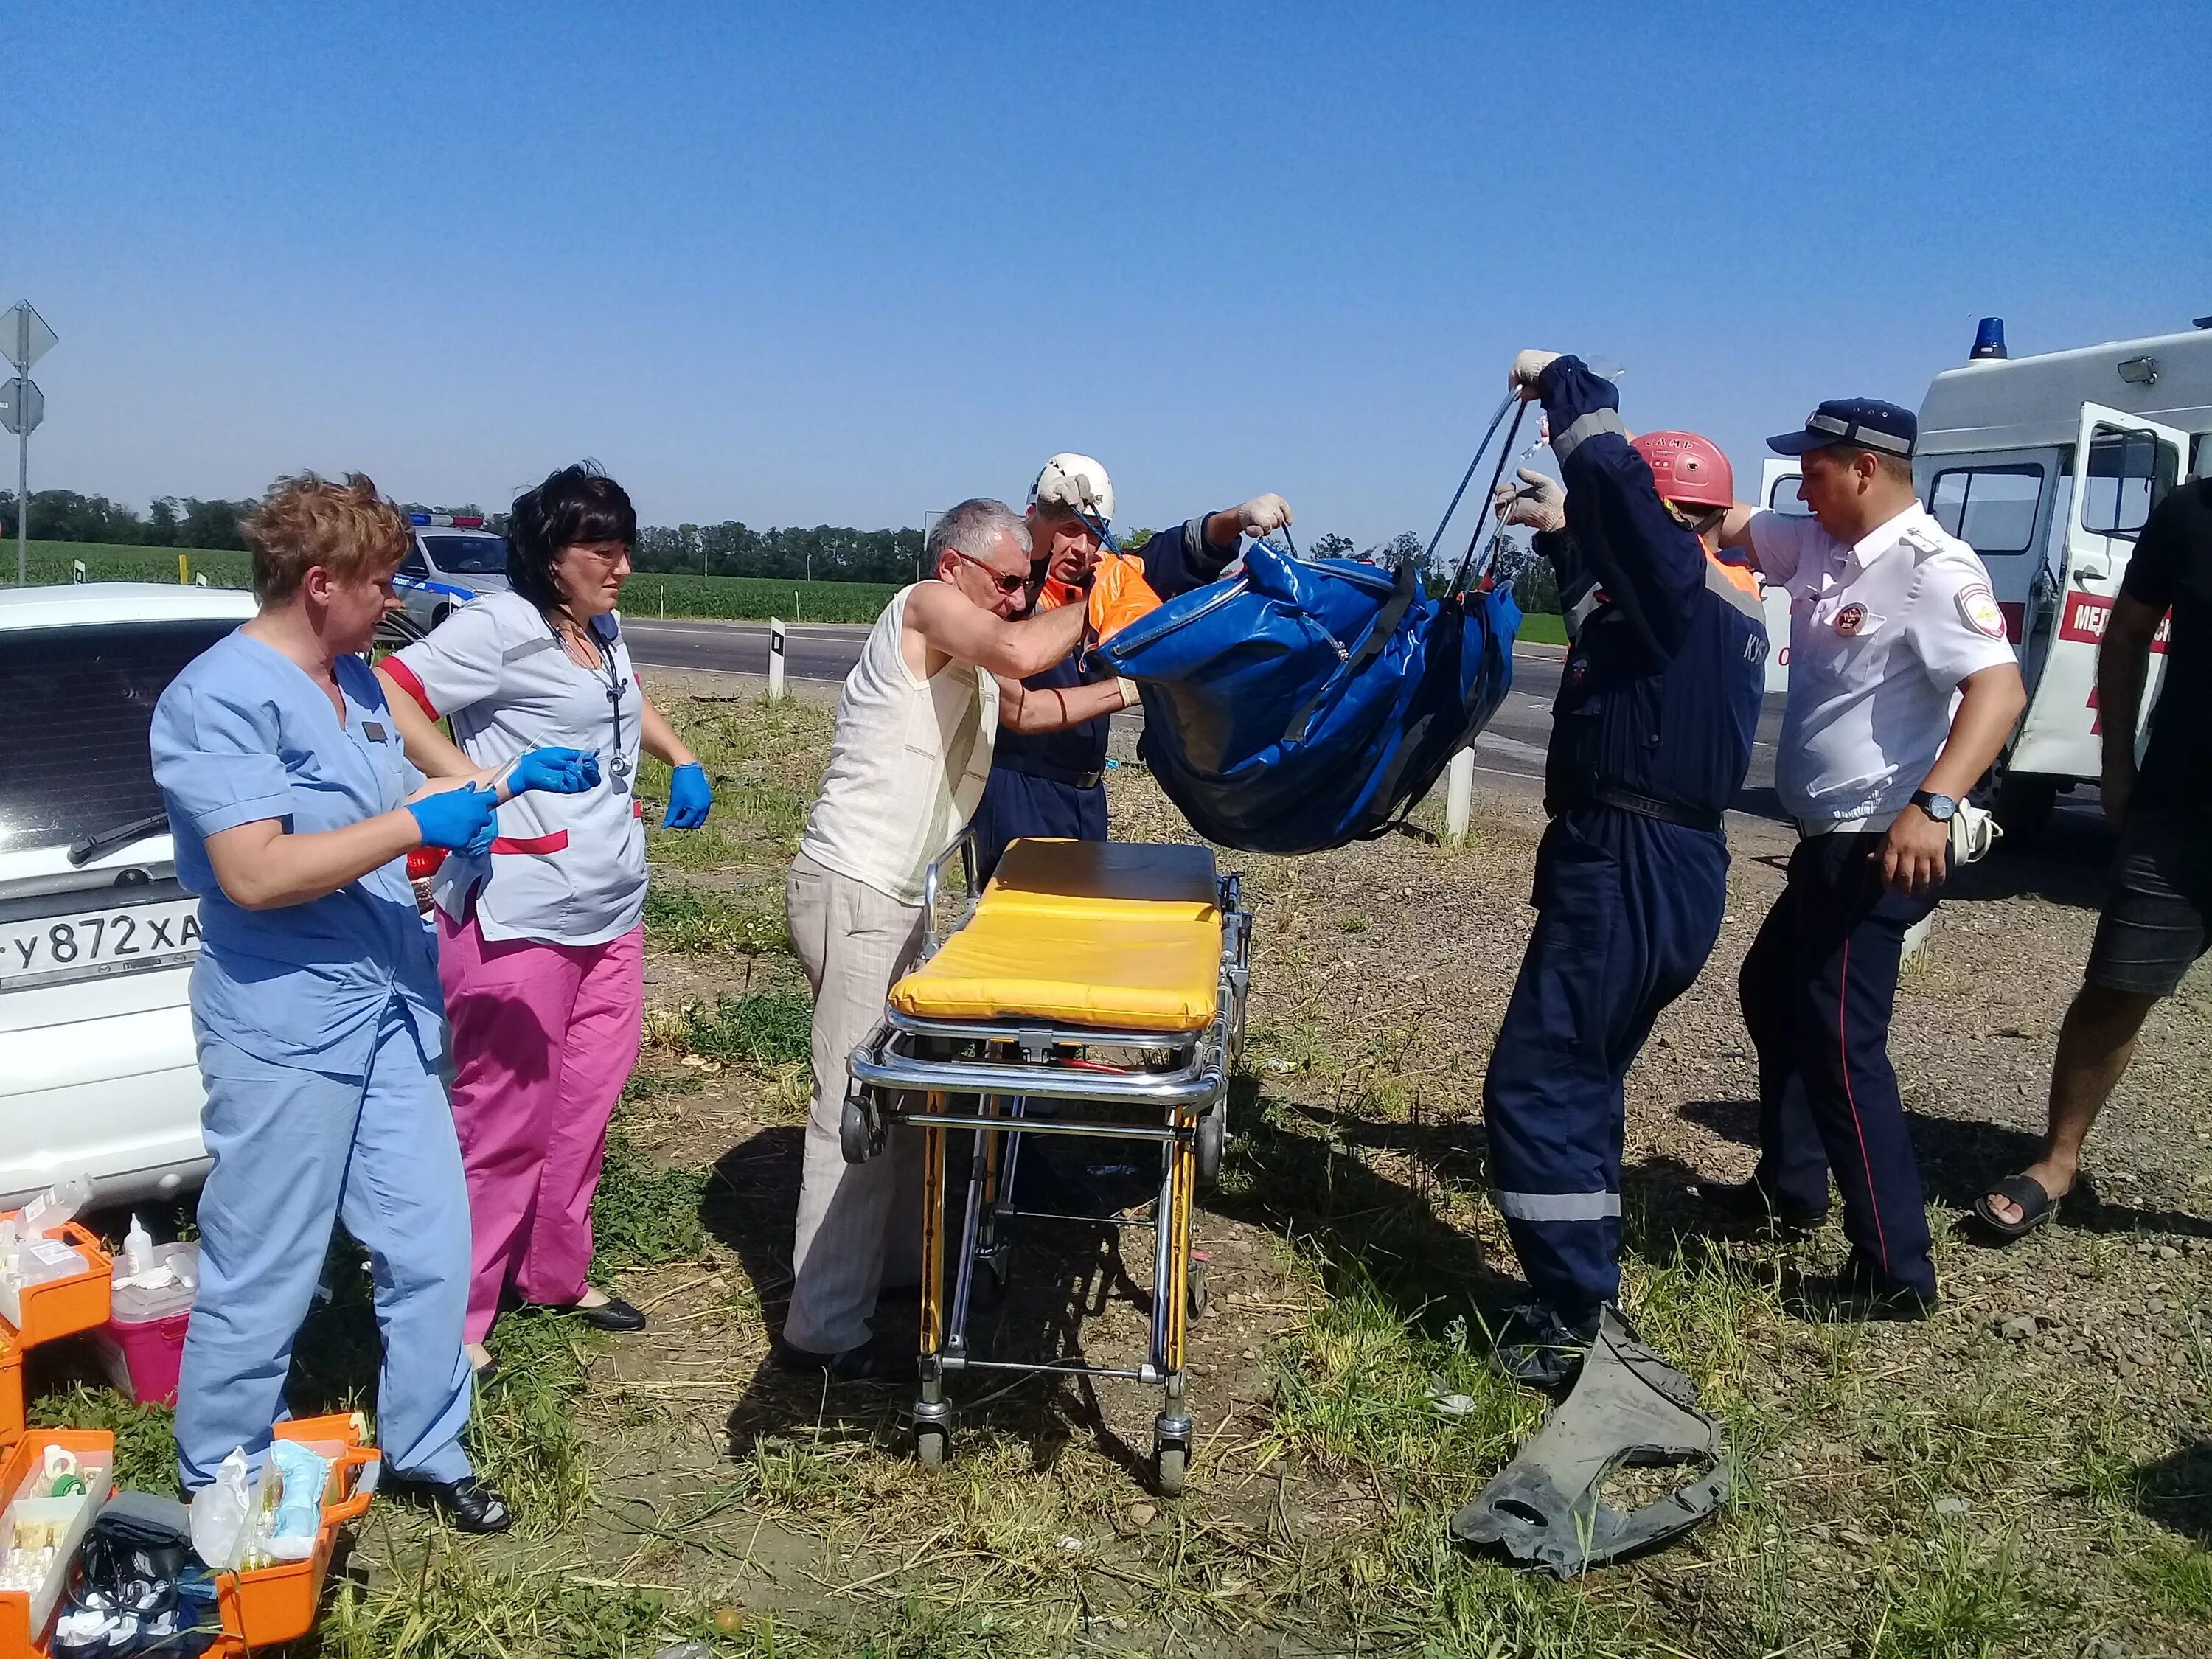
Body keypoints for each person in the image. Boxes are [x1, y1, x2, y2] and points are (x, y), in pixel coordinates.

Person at [150, 472, 597, 1530]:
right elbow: (257, 871)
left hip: (390, 1001)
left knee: (432, 1240)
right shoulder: (217, 698)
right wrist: (415, 827)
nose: (391, 601)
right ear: (319, 583)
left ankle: (428, 1447)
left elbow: (393, 800)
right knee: (269, 1257)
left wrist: (499, 786)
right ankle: (220, 1472)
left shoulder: (350, 681)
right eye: (379, 582)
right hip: (288, 1021)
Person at [781, 498, 1143, 1376]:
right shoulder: (926, 605)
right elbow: (1023, 653)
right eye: (1009, 582)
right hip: (857, 888)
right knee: (854, 1112)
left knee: (904, 1103)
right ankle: (822, 1335)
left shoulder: (971, 639)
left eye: (1027, 584)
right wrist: (1102, 600)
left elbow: (1028, 710)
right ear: (957, 568)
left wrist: (1138, 684)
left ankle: (899, 1278)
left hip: (901, 897)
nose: (1020, 599)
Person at [375, 464, 714, 1376]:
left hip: (610, 910)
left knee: (583, 1109)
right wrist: (471, 782)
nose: (622, 568)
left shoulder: (599, 630)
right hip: (518, 914)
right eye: (600, 551)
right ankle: (458, 1321)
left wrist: (680, 754)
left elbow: (625, 700)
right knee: (501, 1121)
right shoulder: (499, 628)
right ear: (550, 555)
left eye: (624, 548)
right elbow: (392, 689)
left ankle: (553, 1273)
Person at [1692, 400, 2026, 1318]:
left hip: (1883, 842)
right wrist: (1589, 498)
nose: (1801, 485)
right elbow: (1714, 518)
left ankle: (1895, 1272)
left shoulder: (1932, 568)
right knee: (1772, 991)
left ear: (1865, 469)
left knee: (1844, 1044)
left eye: (1815, 469)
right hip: (1824, 843)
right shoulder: (1818, 545)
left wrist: (1935, 802)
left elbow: (1999, 690)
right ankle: (1792, 1188)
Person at [1478, 351, 1770, 1385]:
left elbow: (1612, 484)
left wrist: (1564, 382)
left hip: (1631, 859)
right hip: (1672, 862)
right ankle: (1582, 1283)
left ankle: (1571, 1320)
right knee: (1587, 1077)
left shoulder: (1679, 581)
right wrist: (1560, 530)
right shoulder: (1706, 604)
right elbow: (1612, 594)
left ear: (1669, 514)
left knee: (1536, 1083)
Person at [1976, 468, 2212, 1239]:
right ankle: (2058, 1161)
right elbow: (2129, 634)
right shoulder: (2192, 511)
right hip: (2182, 808)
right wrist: (2115, 762)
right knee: (2115, 987)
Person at [966, 452, 1296, 881]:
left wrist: (1237, 518)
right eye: (1068, 530)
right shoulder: (1008, 591)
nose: (1081, 548)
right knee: (1021, 927)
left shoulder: (1111, 580)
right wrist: (1127, 691)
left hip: (1086, 796)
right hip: (1019, 792)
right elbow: (1020, 704)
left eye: (1092, 534)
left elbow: (1177, 552)